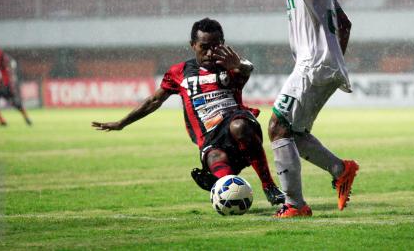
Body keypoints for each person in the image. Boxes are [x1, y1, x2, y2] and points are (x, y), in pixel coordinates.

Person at [92, 18, 285, 205]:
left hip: (240, 128)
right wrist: (122, 123)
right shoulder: (179, 72)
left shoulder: (230, 64)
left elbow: (248, 68)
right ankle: (219, 183)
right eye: (204, 47)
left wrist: (239, 66)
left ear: (223, 44)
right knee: (218, 166)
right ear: (193, 45)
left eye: (215, 46)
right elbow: (154, 100)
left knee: (239, 126)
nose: (210, 52)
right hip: (211, 139)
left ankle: (269, 186)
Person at [261, 0, 359, 218]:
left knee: (277, 127)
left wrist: (322, 59)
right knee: (293, 132)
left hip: (313, 64)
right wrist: (333, 59)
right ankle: (340, 170)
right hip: (321, 64)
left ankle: (295, 205)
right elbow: (344, 22)